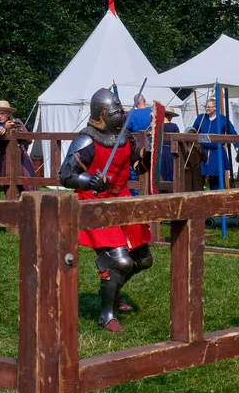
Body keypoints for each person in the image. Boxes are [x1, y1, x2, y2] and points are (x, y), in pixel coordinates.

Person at [58, 88, 153, 332]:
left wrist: (147, 157)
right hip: (95, 202)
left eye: (120, 111)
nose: (119, 116)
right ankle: (106, 314)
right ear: (101, 114)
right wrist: (90, 180)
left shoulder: (126, 137)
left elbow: (137, 167)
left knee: (143, 260)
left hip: (121, 199)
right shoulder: (87, 140)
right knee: (120, 261)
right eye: (114, 113)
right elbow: (66, 175)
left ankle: (114, 291)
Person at [0, 100, 39, 194]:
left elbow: (29, 140)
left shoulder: (17, 122)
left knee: (29, 188)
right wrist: (4, 129)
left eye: (2, 113)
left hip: (22, 159)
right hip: (5, 161)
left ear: (8, 113)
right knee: (10, 191)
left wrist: (19, 131)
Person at [192, 99, 238, 190]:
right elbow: (192, 131)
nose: (207, 109)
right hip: (202, 152)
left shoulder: (222, 119)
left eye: (209, 107)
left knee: (216, 181)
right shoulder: (200, 118)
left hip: (217, 153)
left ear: (215, 108)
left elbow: (232, 132)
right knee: (198, 179)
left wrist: (236, 145)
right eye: (206, 107)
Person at [126, 94, 152, 195]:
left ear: (135, 103)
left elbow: (125, 132)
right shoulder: (152, 113)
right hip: (149, 148)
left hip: (135, 149)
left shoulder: (130, 114)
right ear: (144, 100)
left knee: (134, 176)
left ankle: (135, 195)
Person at [159, 106, 180, 185]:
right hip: (170, 152)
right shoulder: (174, 127)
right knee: (170, 173)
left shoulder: (157, 126)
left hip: (159, 152)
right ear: (170, 116)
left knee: (161, 172)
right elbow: (178, 140)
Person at [182, 126, 206, 192]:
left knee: (197, 191)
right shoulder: (182, 147)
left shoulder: (197, 146)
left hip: (196, 174)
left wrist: (200, 149)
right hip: (187, 174)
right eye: (190, 134)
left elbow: (204, 159)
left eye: (193, 134)